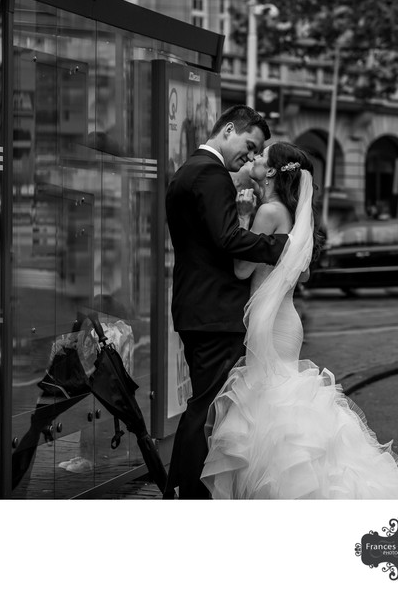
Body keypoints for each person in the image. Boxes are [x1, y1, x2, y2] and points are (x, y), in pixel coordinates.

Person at [201, 142, 398, 499]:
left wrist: (241, 217)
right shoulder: (292, 212)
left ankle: (290, 493)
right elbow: (305, 274)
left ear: (271, 172)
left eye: (261, 156)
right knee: (284, 402)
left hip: (268, 323)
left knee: (270, 408)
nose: (255, 158)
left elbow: (240, 269)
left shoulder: (267, 211)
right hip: (287, 319)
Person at [163, 104, 288, 499]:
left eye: (256, 153)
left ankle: (180, 491)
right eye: (249, 146)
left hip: (196, 308)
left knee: (202, 407)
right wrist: (282, 245)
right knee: (204, 412)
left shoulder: (189, 170)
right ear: (229, 129)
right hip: (214, 314)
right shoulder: (211, 174)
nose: (250, 157)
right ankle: (188, 497)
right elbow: (228, 240)